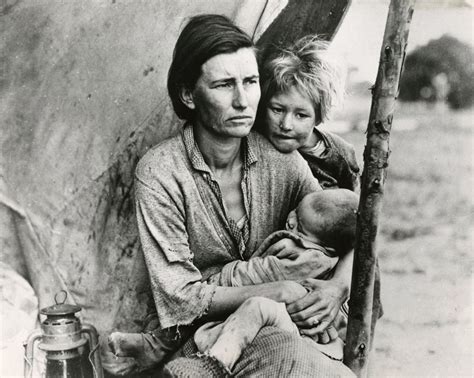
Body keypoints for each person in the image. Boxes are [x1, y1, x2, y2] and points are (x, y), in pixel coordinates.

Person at [131, 14, 355, 377]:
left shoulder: (281, 160)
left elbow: (348, 235)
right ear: (189, 94)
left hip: (282, 323)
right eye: (223, 85)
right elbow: (181, 298)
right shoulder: (160, 173)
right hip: (207, 337)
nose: (241, 100)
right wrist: (274, 291)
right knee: (291, 358)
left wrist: (337, 290)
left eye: (250, 82)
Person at [194, 189, 360, 371]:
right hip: (328, 344)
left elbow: (259, 273)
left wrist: (221, 279)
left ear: (327, 246)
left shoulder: (305, 257)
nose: (290, 221)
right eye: (296, 210)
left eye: (300, 226)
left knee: (257, 308)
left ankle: (212, 366)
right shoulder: (333, 253)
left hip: (301, 337)